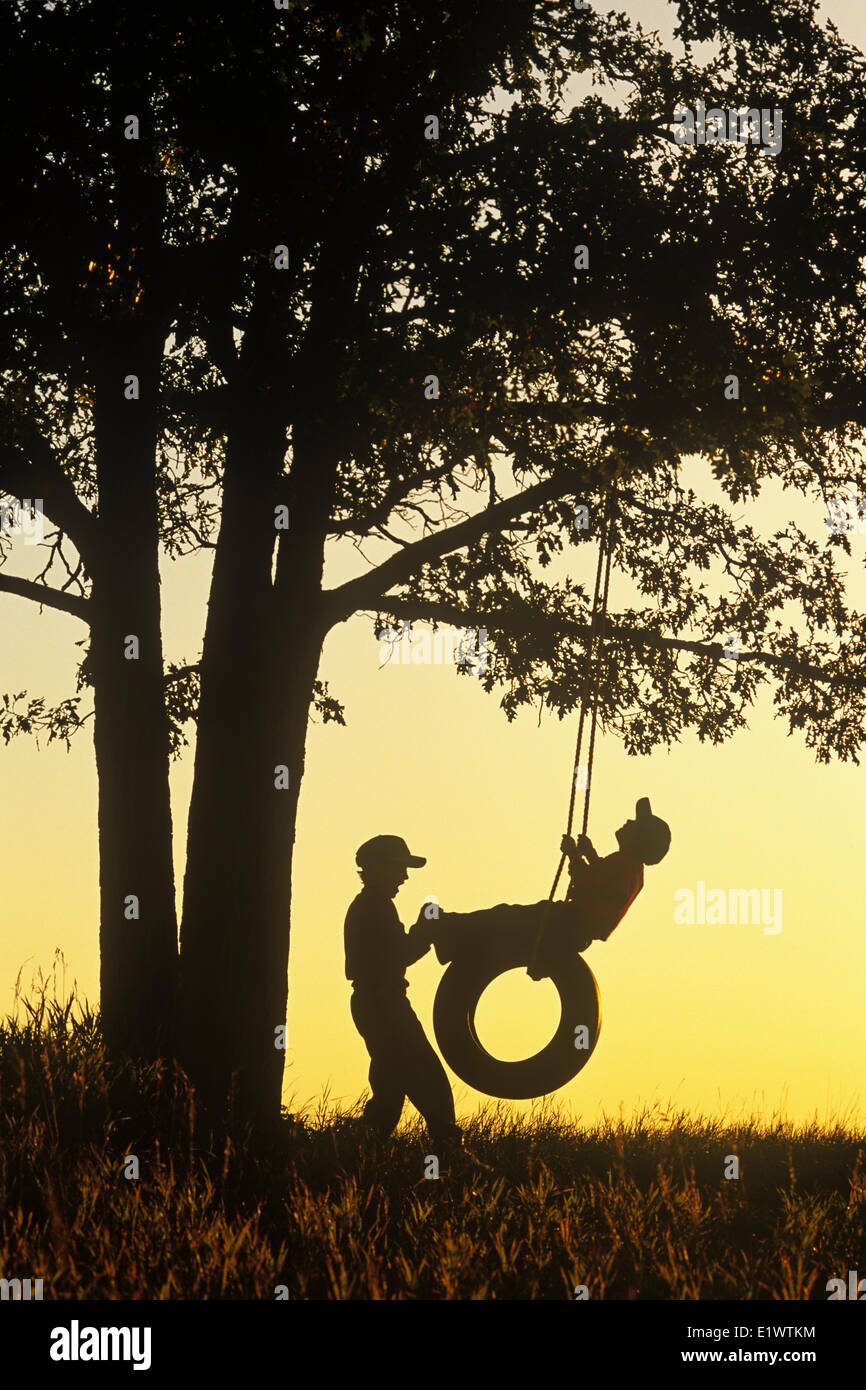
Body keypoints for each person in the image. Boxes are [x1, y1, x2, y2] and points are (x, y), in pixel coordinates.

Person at [429, 798, 671, 977]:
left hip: (567, 924)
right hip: (573, 930)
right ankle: (453, 941)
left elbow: (588, 882)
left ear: (638, 839)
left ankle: (449, 928)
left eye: (634, 824)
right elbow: (602, 883)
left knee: (506, 918)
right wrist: (589, 853)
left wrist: (574, 854)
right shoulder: (631, 870)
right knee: (508, 926)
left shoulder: (623, 865)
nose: (628, 821)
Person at [344, 834, 464, 1155]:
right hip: (385, 1006)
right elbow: (400, 955)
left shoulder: (373, 906)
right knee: (428, 1076)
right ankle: (448, 1150)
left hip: (376, 1004)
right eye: (400, 868)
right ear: (381, 869)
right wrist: (425, 929)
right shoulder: (374, 908)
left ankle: (351, 1155)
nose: (405, 877)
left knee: (389, 1090)